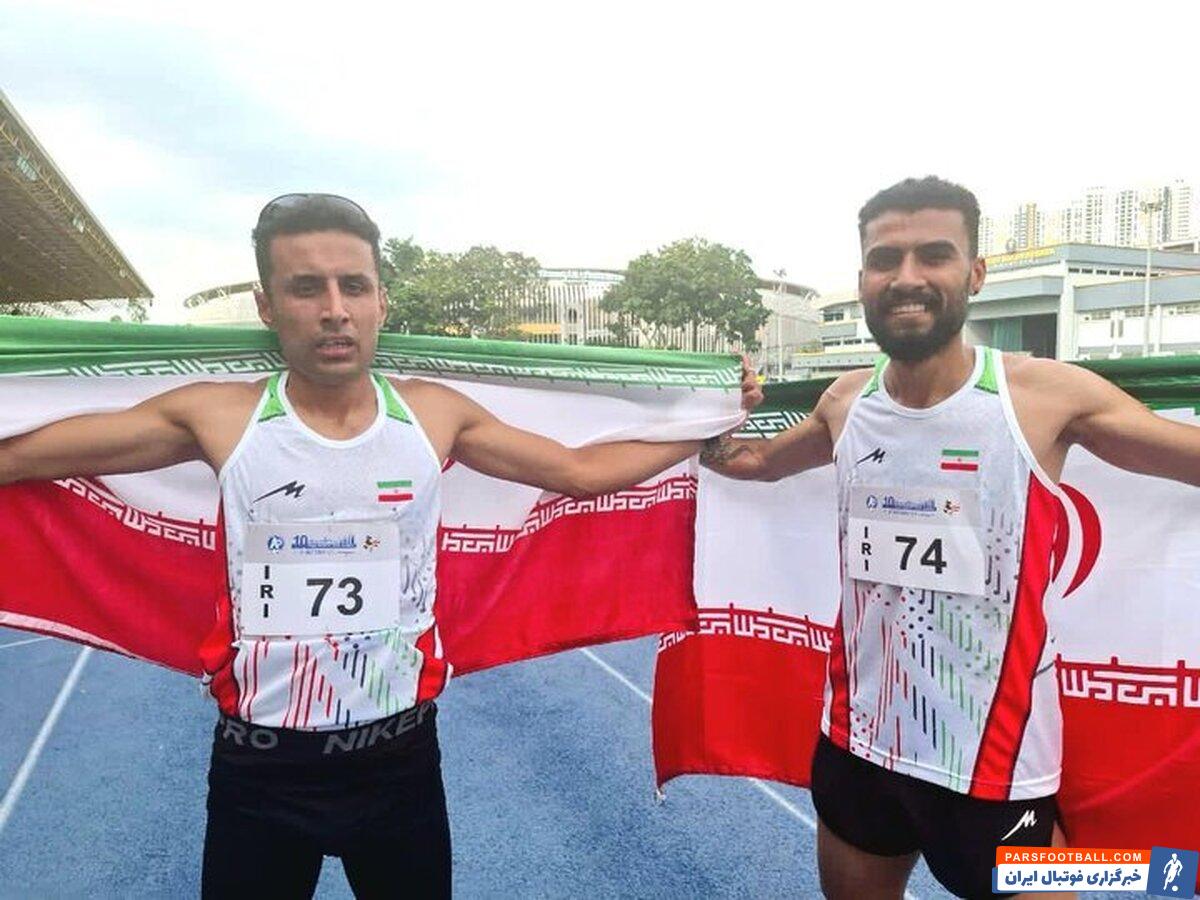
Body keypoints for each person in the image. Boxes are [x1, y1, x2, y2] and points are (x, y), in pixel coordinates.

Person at [0, 193, 762, 899]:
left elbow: (579, 473)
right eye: (307, 288)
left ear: (380, 301)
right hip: (260, 772)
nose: (334, 310)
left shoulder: (433, 414)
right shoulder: (217, 416)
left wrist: (709, 420)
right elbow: (19, 460)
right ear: (267, 306)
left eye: (353, 287)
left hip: (399, 765)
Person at [700, 176, 1200, 899]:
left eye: (934, 255)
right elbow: (749, 462)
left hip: (995, 774)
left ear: (974, 274)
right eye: (885, 259)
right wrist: (708, 408)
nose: (907, 277)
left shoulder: (1044, 397)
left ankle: (1155, 877)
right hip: (859, 749)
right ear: (863, 280)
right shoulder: (846, 401)